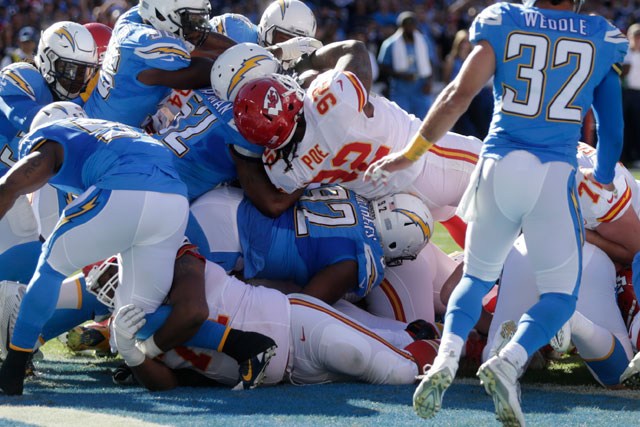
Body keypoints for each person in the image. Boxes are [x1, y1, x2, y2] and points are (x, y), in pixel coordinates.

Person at [365, 1, 628, 424]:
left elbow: (457, 95)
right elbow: (612, 131)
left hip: (498, 165)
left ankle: (446, 357)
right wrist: (600, 175)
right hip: (553, 174)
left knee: (475, 278)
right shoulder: (599, 35)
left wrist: (410, 153)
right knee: (560, 297)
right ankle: (509, 361)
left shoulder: (505, 18)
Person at [0, 108, 189, 396]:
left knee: (51, 266)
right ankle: (228, 342)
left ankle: (12, 371)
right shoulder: (114, 132)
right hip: (174, 203)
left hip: (125, 190)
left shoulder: (49, 139)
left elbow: (9, 187)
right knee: (134, 323)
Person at [232, 40, 480, 249]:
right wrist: (307, 63)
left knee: (451, 217)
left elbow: (274, 203)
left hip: (386, 202)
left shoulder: (283, 168)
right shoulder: (329, 98)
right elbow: (356, 51)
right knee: (501, 172)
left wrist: (242, 155)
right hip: (421, 159)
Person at [109, 242, 439, 390]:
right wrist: (132, 356)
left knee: (389, 367)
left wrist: (148, 347)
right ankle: (420, 339)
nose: (117, 289)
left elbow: (193, 313)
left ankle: (447, 345)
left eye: (117, 277)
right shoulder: (134, 327)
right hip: (289, 377)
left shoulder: (180, 261)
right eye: (108, 291)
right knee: (379, 356)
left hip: (295, 323)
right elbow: (166, 385)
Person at [187, 185, 433, 304]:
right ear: (395, 245)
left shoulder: (354, 196)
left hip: (227, 201)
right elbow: (304, 309)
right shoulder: (354, 260)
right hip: (226, 240)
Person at [0, 21, 99, 283]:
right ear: (47, 58)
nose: (76, 80)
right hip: (8, 182)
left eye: (84, 72)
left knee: (27, 260)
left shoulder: (73, 103)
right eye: (69, 69)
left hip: (11, 189)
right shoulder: (23, 75)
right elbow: (29, 119)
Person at [83, 0, 233, 127]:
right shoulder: (147, 41)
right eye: (190, 19)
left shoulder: (135, 18)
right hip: (106, 136)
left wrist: (243, 51)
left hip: (118, 122)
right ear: (162, 15)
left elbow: (199, 38)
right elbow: (204, 70)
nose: (196, 26)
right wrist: (241, 60)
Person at [377, 11, 433, 118]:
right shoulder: (390, 44)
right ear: (400, 26)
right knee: (401, 120)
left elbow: (431, 62)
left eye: (412, 24)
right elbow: (383, 67)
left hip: (421, 89)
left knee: (422, 122)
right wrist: (401, 75)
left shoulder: (424, 41)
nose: (410, 27)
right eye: (407, 24)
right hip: (400, 90)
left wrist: (429, 82)